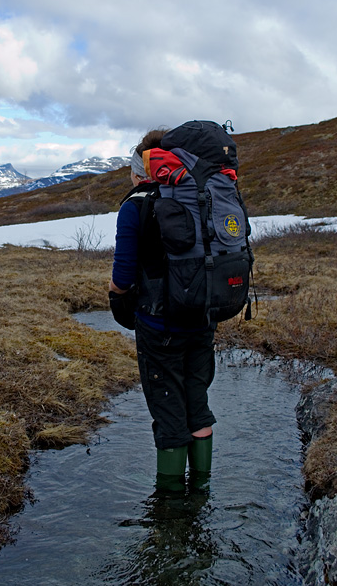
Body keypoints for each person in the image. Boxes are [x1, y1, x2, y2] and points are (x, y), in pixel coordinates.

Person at [109, 129, 215, 490]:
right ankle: (202, 491)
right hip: (202, 319)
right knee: (197, 406)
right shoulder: (200, 196)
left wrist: (117, 301)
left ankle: (171, 507)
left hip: (158, 326)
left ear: (140, 170)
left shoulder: (135, 206)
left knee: (169, 413)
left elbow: (122, 278)